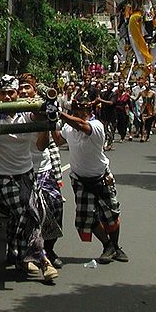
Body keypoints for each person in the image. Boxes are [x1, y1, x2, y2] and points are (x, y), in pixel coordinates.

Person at [0, 75, 58, 282]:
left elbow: (41, 145)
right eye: (3, 93)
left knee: (26, 216)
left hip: (27, 174)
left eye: (11, 93)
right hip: (4, 178)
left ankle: (20, 256)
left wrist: (45, 118)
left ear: (17, 94)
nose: (7, 96)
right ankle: (44, 260)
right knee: (29, 212)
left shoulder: (26, 114)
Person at [41, 92, 128, 264]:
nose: (83, 112)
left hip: (101, 177)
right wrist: (50, 123)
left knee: (111, 214)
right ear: (73, 109)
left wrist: (58, 113)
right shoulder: (68, 127)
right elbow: (58, 141)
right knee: (87, 217)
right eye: (79, 109)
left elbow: (82, 125)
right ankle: (108, 245)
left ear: (91, 110)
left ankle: (115, 247)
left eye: (86, 109)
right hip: (80, 179)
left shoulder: (96, 125)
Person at [19, 74, 64, 269]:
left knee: (54, 207)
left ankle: (49, 249)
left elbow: (43, 145)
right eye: (20, 88)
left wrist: (45, 117)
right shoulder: (9, 110)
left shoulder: (42, 109)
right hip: (19, 169)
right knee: (25, 213)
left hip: (43, 167)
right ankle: (21, 251)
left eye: (27, 87)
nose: (23, 91)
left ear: (34, 91)